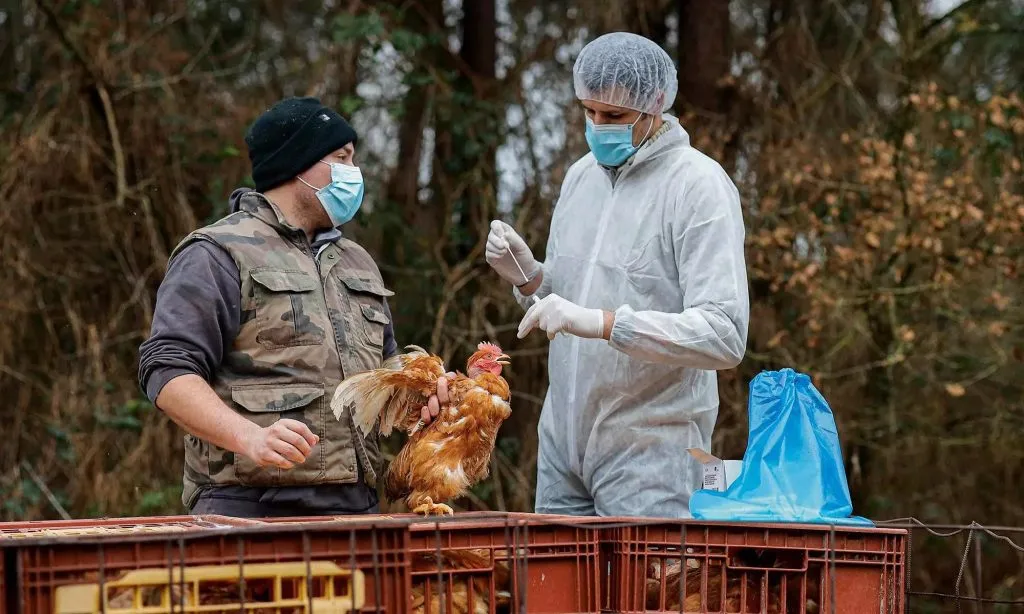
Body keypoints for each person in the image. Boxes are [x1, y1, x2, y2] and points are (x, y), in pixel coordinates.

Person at [138, 96, 450, 517]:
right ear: (297, 164)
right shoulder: (217, 253)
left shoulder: (357, 262)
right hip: (246, 509)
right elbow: (168, 371)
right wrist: (248, 436)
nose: (353, 173)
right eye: (341, 157)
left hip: (355, 508)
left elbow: (381, 382)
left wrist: (421, 400)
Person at [485, 32, 749, 518]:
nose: (597, 126)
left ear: (655, 107)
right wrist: (528, 281)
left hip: (652, 451)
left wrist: (608, 324)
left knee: (642, 595)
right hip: (564, 445)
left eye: (614, 117)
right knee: (559, 593)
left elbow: (724, 334)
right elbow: (567, 306)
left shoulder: (697, 185)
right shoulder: (580, 178)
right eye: (589, 112)